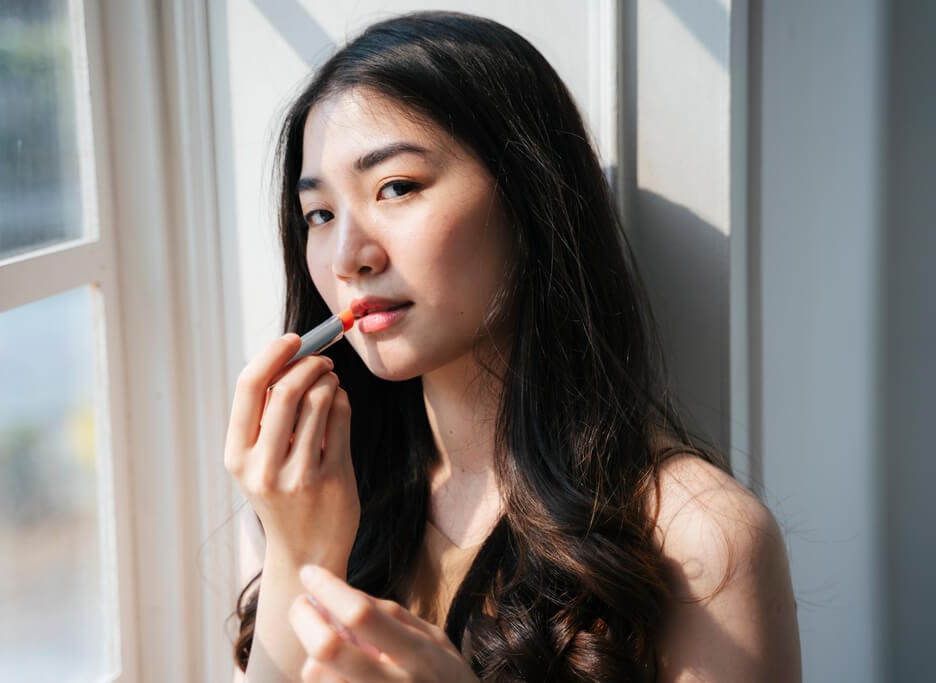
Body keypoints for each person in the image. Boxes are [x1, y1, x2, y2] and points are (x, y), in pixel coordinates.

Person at [224, 10, 800, 682]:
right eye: (319, 214)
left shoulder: (702, 541)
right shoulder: (312, 494)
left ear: (527, 196)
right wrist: (299, 553)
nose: (348, 255)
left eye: (397, 187)